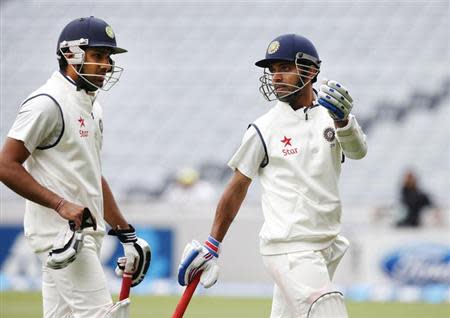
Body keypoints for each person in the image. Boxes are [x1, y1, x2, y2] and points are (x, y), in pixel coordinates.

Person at [177, 34, 367, 318]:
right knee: (328, 312)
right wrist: (212, 244)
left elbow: (358, 152)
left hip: (325, 245)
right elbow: (237, 187)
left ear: (311, 70)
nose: (276, 77)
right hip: (290, 247)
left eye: (284, 68)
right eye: (273, 70)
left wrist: (344, 122)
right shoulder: (264, 128)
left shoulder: (331, 115)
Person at [0, 17, 150, 318]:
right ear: (71, 54)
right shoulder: (47, 102)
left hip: (84, 237)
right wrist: (59, 204)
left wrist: (124, 231)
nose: (106, 64)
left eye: (108, 57)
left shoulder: (92, 105)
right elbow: (5, 164)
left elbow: (91, 173)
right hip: (63, 238)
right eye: (97, 56)